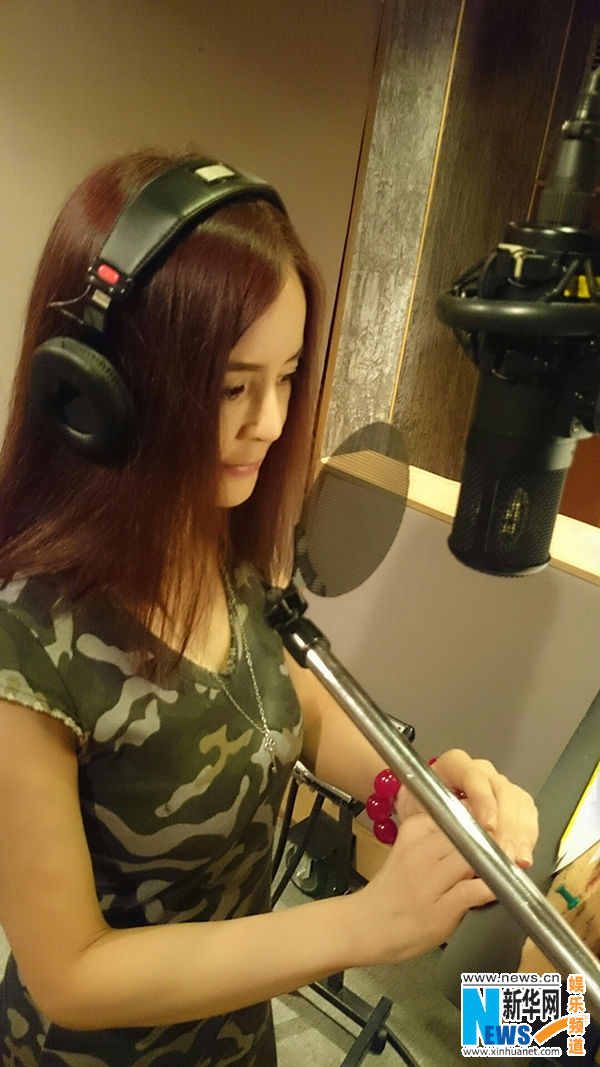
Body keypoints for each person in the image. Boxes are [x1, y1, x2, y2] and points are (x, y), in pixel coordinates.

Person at [0, 150, 538, 1066]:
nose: (272, 422)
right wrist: (364, 924)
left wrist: (410, 785)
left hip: (239, 1040)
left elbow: (292, 705)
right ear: (99, 390)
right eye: (232, 386)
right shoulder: (24, 643)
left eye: (287, 376)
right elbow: (71, 973)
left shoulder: (219, 540)